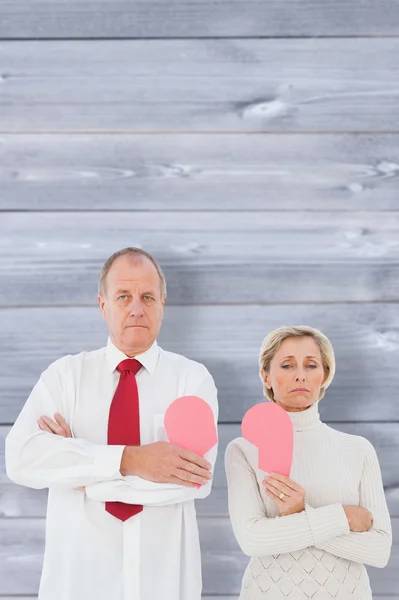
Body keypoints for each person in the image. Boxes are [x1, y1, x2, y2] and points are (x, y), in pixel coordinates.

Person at [5, 247, 219, 600]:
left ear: (162, 304)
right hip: (77, 583)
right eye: (124, 296)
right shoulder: (65, 377)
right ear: (103, 305)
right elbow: (22, 458)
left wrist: (83, 475)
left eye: (147, 296)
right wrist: (130, 460)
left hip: (162, 583)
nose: (137, 307)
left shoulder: (192, 381)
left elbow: (195, 481)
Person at [225, 325, 391, 600]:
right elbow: (253, 539)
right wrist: (343, 517)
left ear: (325, 375)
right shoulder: (244, 449)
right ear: (265, 376)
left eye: (311, 365)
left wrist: (300, 512)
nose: (300, 375)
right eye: (287, 365)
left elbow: (378, 550)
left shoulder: (357, 449)